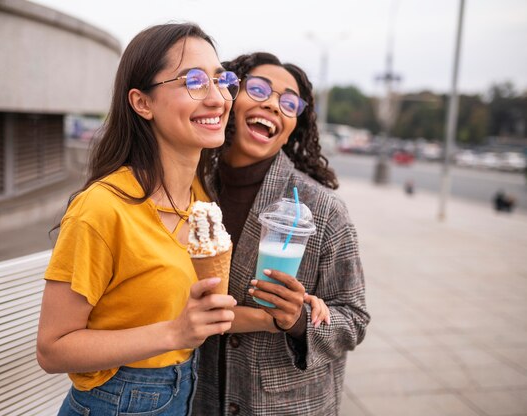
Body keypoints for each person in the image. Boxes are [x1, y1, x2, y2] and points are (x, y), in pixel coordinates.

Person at [36, 23, 241, 415]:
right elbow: (52, 348)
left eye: (221, 79)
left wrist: (283, 318)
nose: (218, 98)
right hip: (114, 402)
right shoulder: (102, 208)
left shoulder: (200, 198)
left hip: (183, 391)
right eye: (194, 81)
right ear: (142, 102)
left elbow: (196, 318)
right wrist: (174, 333)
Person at [194, 52, 370, 415]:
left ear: (294, 126)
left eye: (289, 103)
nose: (273, 104)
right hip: (200, 398)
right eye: (258, 89)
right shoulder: (194, 188)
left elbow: (353, 319)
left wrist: (298, 320)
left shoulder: (321, 209)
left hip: (282, 404)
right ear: (228, 96)